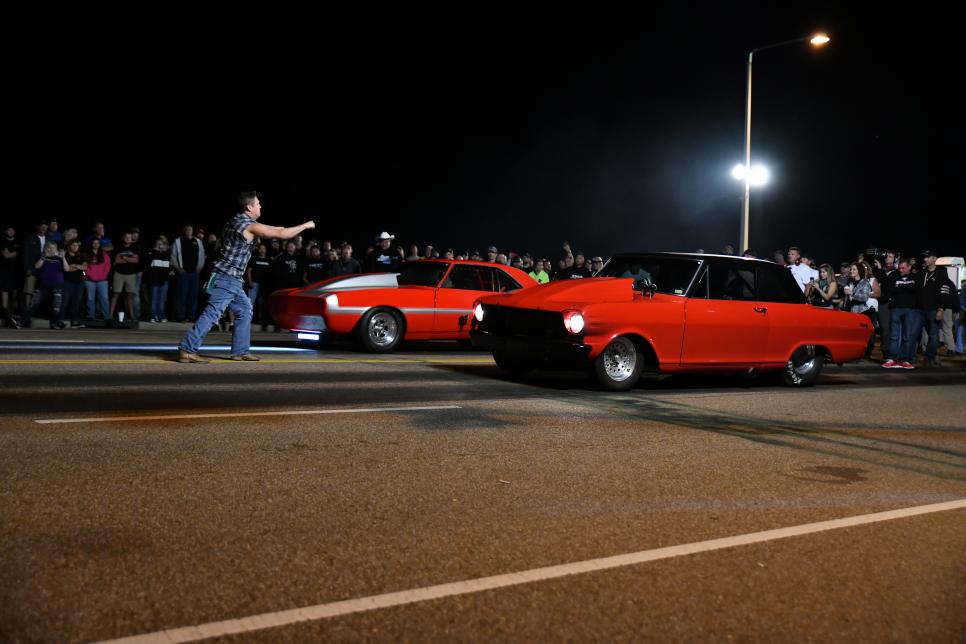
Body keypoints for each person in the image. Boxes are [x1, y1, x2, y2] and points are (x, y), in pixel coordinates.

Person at [177, 191, 314, 363]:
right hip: (227, 277)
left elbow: (277, 230)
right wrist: (306, 225)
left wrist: (281, 229)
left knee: (244, 310)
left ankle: (240, 351)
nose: (260, 206)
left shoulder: (234, 221)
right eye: (258, 203)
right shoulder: (247, 226)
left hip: (229, 278)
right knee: (213, 313)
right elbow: (282, 234)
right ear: (249, 207)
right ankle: (187, 349)